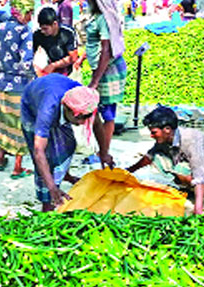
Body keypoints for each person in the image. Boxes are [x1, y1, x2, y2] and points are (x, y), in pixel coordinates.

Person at [21, 74, 114, 211]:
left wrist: (104, 153)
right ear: (67, 109)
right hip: (32, 105)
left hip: (54, 89)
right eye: (80, 118)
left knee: (67, 145)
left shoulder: (84, 100)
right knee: (47, 157)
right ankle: (47, 201)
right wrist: (52, 188)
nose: (82, 122)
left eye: (86, 117)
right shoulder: (47, 110)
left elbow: (97, 125)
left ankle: (65, 175)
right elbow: (38, 151)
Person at [126, 107, 204, 215]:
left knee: (180, 170)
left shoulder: (191, 140)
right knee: (158, 160)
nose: (151, 136)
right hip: (188, 165)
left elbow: (200, 176)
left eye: (154, 132)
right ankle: (189, 186)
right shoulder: (165, 138)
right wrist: (129, 171)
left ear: (167, 129)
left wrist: (198, 209)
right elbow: (149, 157)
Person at [0, 0, 35, 177]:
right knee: (21, 124)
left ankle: (1, 158)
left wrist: (2, 70)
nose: (30, 18)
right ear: (21, 12)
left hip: (0, 83)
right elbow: (26, 62)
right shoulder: (24, 31)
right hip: (19, 85)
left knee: (4, 122)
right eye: (29, 13)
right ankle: (17, 167)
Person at [83, 0, 126, 153]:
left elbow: (106, 50)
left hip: (108, 70)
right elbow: (93, 43)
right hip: (101, 69)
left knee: (107, 113)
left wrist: (95, 81)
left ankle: (104, 152)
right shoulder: (96, 16)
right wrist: (83, 57)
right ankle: (101, 149)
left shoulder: (103, 18)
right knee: (97, 110)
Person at [33, 7, 78, 76]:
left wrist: (54, 65)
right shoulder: (38, 35)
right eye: (41, 28)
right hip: (53, 70)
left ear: (55, 24)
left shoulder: (68, 33)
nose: (43, 31)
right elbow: (30, 54)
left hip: (71, 70)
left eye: (45, 29)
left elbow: (73, 57)